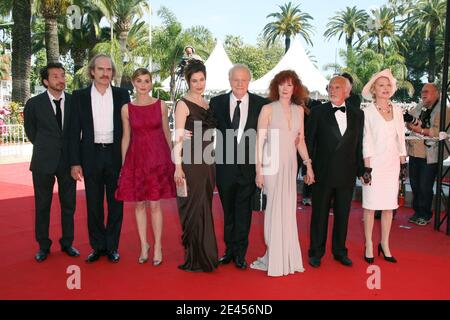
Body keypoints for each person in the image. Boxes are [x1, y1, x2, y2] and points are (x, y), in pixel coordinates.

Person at [252, 70, 315, 276]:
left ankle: (286, 256)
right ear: (276, 87)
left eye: (289, 84)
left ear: (295, 87)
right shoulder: (267, 109)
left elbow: (301, 141)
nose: (285, 88)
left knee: (288, 211)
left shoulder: (299, 111)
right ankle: (273, 257)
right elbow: (259, 142)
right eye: (281, 84)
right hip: (271, 164)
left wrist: (308, 164)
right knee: (272, 211)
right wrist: (258, 171)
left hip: (290, 165)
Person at [69, 54, 130, 263]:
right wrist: (75, 162)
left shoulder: (123, 95)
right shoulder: (78, 96)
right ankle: (97, 246)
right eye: (101, 69)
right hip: (91, 156)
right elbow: (72, 131)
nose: (106, 73)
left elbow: (128, 130)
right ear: (92, 71)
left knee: (116, 204)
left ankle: (112, 246)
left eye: (109, 69)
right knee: (93, 205)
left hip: (115, 155)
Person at [209, 64, 269, 269]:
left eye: (243, 80)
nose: (240, 83)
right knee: (228, 212)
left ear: (249, 81)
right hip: (225, 168)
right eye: (236, 79)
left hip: (249, 168)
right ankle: (229, 251)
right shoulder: (216, 102)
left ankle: (240, 254)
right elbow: (206, 126)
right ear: (229, 81)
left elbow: (270, 132)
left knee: (244, 213)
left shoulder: (262, 104)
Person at [115, 68, 176, 265]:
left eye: (146, 81)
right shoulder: (126, 109)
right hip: (136, 160)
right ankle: (144, 244)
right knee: (139, 204)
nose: (143, 84)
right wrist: (124, 166)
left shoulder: (160, 106)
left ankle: (157, 245)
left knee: (156, 204)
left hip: (158, 159)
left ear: (151, 83)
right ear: (134, 83)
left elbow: (167, 132)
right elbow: (126, 137)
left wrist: (174, 158)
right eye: (139, 81)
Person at [305, 76, 365, 268]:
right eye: (330, 87)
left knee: (343, 215)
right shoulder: (317, 112)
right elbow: (309, 142)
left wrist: (361, 169)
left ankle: (340, 251)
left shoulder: (358, 114)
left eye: (337, 87)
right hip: (322, 172)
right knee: (319, 215)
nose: (332, 90)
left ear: (347, 92)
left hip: (347, 172)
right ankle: (316, 252)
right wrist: (308, 169)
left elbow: (359, 145)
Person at [24, 62, 79, 262]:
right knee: (42, 205)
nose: (61, 79)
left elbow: (75, 132)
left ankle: (68, 243)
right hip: (42, 162)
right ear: (46, 81)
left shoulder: (74, 102)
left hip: (68, 163)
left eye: (63, 75)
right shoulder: (34, 103)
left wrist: (76, 161)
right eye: (55, 76)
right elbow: (30, 131)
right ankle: (43, 246)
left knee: (69, 205)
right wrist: (45, 146)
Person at [173, 60, 218, 272]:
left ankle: (204, 255)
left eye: (202, 80)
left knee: (205, 205)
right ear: (188, 81)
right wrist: (177, 167)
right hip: (191, 161)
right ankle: (196, 257)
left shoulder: (208, 104)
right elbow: (177, 138)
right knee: (194, 206)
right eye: (194, 81)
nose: (199, 84)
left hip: (208, 161)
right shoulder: (183, 104)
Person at [360, 69, 407, 264]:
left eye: (388, 85)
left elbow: (401, 138)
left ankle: (385, 244)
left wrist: (404, 164)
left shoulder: (397, 111)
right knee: (370, 206)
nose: (385, 88)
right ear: (373, 89)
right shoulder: (368, 112)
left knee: (389, 207)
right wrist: (367, 168)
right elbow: (366, 140)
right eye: (381, 85)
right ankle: (369, 244)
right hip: (374, 164)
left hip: (392, 163)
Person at [406, 83, 450, 226]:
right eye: (422, 91)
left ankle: (425, 214)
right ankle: (417, 211)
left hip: (430, 155)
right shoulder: (419, 106)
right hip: (414, 153)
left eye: (427, 91)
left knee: (425, 186)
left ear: (436, 93)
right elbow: (409, 121)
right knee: (414, 184)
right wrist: (410, 124)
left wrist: (421, 130)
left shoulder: (444, 110)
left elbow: (440, 132)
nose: (423, 94)